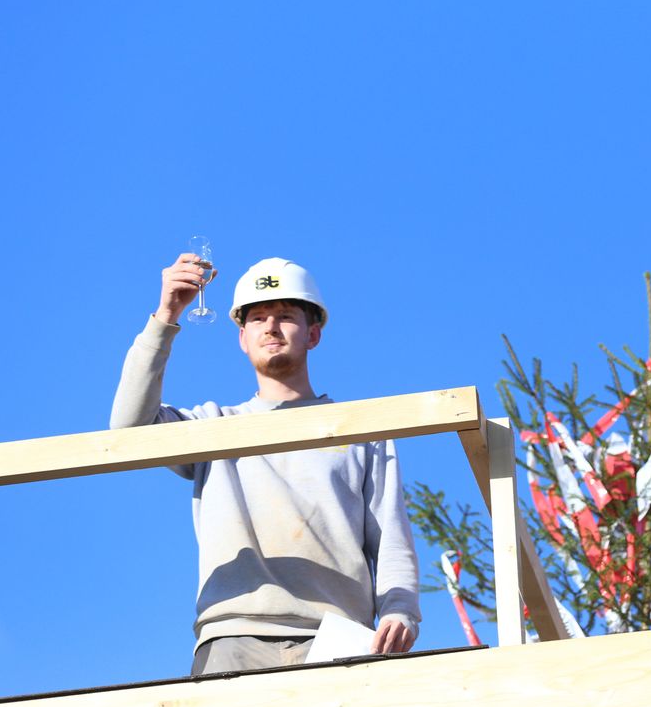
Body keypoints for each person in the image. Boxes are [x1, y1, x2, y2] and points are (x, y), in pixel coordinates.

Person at [111, 253, 420, 675]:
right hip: (232, 634)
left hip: (337, 638)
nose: (271, 327)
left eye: (286, 316)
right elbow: (128, 429)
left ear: (313, 334)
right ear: (242, 338)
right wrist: (166, 315)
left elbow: (390, 535)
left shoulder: (359, 430)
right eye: (257, 318)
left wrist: (400, 610)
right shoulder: (213, 426)